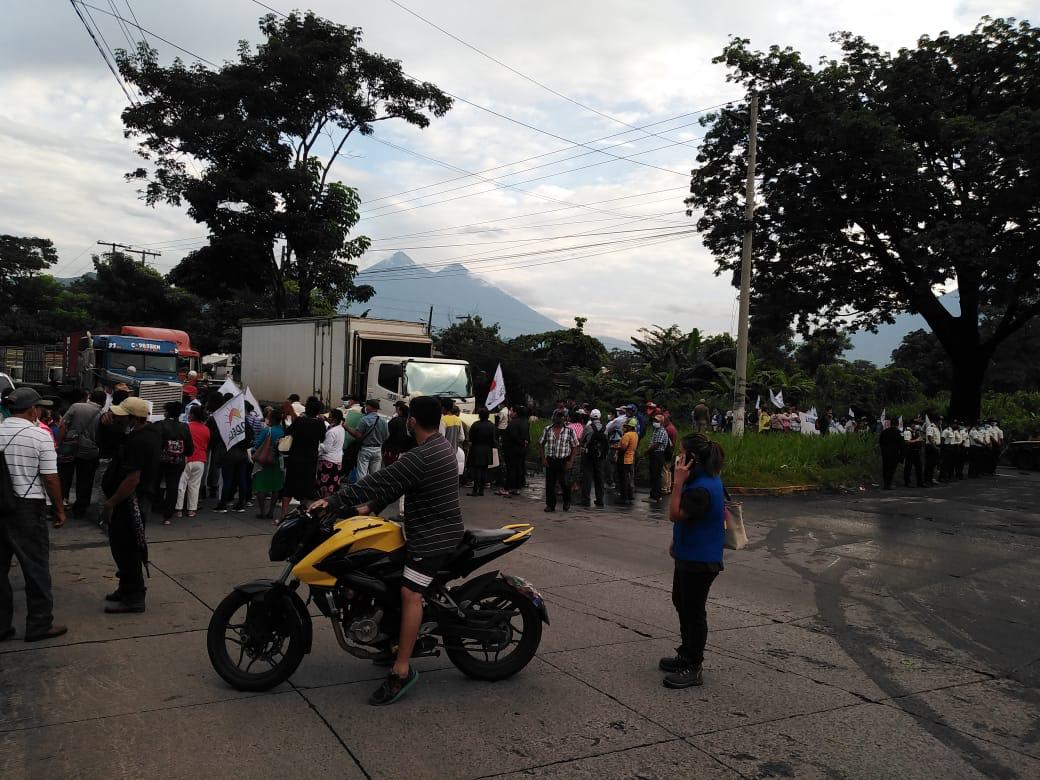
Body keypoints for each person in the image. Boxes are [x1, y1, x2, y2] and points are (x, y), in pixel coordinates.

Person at [310, 395, 464, 706]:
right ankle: (391, 641)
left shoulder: (421, 456)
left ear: (411, 421)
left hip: (433, 537)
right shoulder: (436, 446)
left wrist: (334, 500)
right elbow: (398, 486)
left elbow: (380, 479)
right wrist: (369, 508)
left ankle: (402, 669)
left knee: (410, 593)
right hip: (426, 530)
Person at [0, 388, 67, 642]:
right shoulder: (39, 436)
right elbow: (50, 478)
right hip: (27, 508)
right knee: (35, 567)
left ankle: (1, 627)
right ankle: (39, 624)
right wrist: (59, 510)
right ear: (32, 410)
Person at [661, 432, 726, 689]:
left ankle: (693, 665)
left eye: (682, 452)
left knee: (693, 611)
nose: (678, 456)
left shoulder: (701, 487)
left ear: (692, 459)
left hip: (701, 560)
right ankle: (685, 654)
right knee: (682, 602)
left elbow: (675, 514)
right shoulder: (702, 478)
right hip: (689, 553)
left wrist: (677, 483)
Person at [101, 397, 161, 614]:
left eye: (122, 416)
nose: (118, 418)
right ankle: (126, 588)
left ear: (134, 418)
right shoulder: (146, 434)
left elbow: (132, 478)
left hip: (130, 501)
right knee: (124, 547)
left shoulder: (140, 440)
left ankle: (134, 596)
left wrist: (111, 502)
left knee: (126, 548)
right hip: (134, 499)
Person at [56, 388, 105, 518]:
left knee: (65, 477)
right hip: (90, 452)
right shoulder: (103, 414)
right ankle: (81, 508)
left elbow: (63, 426)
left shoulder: (76, 406)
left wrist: (58, 444)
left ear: (90, 397)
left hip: (70, 448)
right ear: (104, 402)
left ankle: (61, 503)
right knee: (85, 480)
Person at [281, 398, 326, 518]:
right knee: (307, 485)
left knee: (289, 485)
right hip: (310, 459)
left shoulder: (299, 421)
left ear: (306, 409)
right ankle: (305, 512)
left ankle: (284, 513)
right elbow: (322, 439)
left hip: (295, 457)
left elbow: (288, 431)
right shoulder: (320, 423)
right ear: (317, 412)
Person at [155, 401, 194, 525]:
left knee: (155, 483)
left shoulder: (160, 425)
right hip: (178, 461)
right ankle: (168, 514)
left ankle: (157, 506)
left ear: (166, 412)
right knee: (173, 487)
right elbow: (190, 448)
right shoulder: (184, 427)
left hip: (161, 461)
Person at [215, 404, 255, 514]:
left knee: (227, 480)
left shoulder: (225, 423)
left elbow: (218, 438)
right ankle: (240, 504)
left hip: (228, 454)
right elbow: (251, 436)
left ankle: (223, 503)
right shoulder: (243, 423)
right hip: (242, 454)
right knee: (241, 479)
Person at [538, 410, 578, 512]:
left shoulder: (569, 431)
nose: (559, 419)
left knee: (565, 483)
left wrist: (571, 461)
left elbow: (574, 447)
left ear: (565, 418)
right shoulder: (547, 430)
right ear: (554, 418)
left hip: (564, 460)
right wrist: (543, 458)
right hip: (551, 460)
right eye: (557, 416)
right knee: (550, 484)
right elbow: (541, 444)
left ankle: (566, 502)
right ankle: (550, 505)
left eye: (561, 417)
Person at [175, 404, 210, 519]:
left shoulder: (186, 426)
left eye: (189, 413)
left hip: (187, 458)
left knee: (181, 484)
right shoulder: (206, 429)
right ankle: (191, 510)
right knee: (194, 486)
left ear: (192, 415)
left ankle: (178, 509)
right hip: (200, 459)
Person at [250, 407, 285, 521]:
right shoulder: (282, 431)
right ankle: (271, 512)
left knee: (261, 486)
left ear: (272, 419)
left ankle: (262, 512)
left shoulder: (267, 430)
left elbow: (257, 444)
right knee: (275, 487)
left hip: (264, 462)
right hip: (277, 462)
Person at [346, 399, 388, 480]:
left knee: (362, 474)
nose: (365, 407)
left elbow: (357, 435)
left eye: (366, 406)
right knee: (375, 475)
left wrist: (347, 428)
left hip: (366, 449)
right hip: (378, 449)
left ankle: (361, 491)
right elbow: (386, 436)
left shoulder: (364, 419)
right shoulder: (383, 420)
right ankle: (373, 491)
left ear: (369, 407)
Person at [579, 409, 607, 507]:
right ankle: (600, 500)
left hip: (589, 455)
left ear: (591, 417)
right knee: (599, 478)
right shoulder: (605, 428)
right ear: (600, 417)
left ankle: (586, 500)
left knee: (587, 477)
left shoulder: (588, 427)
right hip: (601, 457)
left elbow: (582, 440)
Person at [465, 408, 496, 496]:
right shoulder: (492, 426)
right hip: (487, 449)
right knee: (484, 470)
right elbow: (493, 439)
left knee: (476, 470)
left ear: (479, 415)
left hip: (476, 449)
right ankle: (481, 490)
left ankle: (475, 490)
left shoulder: (475, 425)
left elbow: (470, 437)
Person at [500, 406, 529, 496]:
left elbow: (513, 436)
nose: (510, 413)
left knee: (511, 469)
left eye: (512, 411)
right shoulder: (525, 422)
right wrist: (524, 444)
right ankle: (516, 488)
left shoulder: (514, 423)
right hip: (521, 449)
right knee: (518, 468)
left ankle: (507, 488)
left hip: (512, 449)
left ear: (516, 413)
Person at [317, 409, 346, 498]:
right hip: (337, 461)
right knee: (331, 486)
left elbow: (326, 448)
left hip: (328, 462)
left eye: (330, 417)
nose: (328, 418)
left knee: (325, 487)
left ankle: (323, 506)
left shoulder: (332, 432)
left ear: (335, 419)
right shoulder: (341, 429)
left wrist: (318, 444)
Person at [646, 414, 671, 503]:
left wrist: (647, 451)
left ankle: (656, 496)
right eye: (654, 420)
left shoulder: (661, 431)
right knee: (654, 475)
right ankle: (654, 495)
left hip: (658, 454)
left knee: (656, 475)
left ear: (661, 422)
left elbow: (656, 444)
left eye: (656, 421)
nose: (654, 422)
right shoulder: (656, 430)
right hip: (655, 454)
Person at [615, 419, 638, 505]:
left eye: (625, 426)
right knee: (628, 478)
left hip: (624, 459)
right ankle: (629, 495)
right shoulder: (635, 434)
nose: (624, 427)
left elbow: (623, 448)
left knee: (623, 479)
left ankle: (624, 498)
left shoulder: (627, 435)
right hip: (630, 459)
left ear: (629, 426)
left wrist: (616, 447)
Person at [383, 402, 413, 467]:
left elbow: (386, 434)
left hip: (392, 450)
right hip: (404, 450)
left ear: (400, 411)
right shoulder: (410, 422)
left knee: (389, 467)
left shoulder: (395, 420)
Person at [879, 423, 904, 490]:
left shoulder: (884, 432)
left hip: (885, 453)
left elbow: (880, 442)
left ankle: (885, 484)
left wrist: (883, 450)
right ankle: (889, 484)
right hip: (894, 453)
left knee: (885, 468)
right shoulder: (898, 432)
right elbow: (902, 444)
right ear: (897, 424)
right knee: (891, 469)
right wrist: (902, 455)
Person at [902, 420, 924, 488]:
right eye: (914, 424)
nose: (915, 425)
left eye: (916, 424)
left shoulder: (915, 432)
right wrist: (917, 440)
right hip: (910, 452)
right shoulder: (907, 431)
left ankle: (920, 482)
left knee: (919, 467)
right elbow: (907, 442)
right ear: (910, 424)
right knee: (908, 467)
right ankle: (907, 482)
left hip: (916, 451)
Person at [923, 416, 941, 486]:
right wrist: (935, 447)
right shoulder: (930, 427)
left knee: (933, 465)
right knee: (929, 465)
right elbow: (929, 438)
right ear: (937, 421)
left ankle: (930, 480)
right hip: (931, 447)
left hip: (935, 447)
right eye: (940, 420)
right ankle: (926, 481)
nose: (941, 422)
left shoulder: (937, 428)